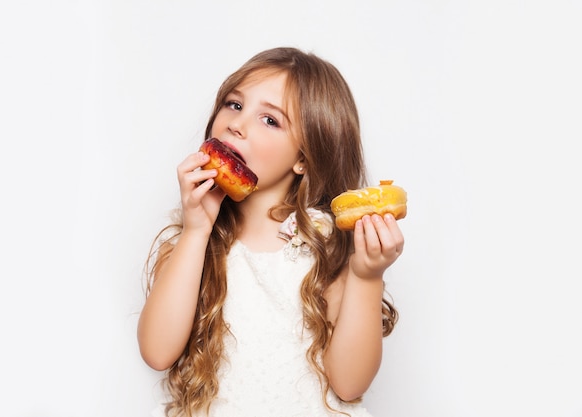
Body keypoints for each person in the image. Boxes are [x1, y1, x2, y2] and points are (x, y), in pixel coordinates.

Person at [137, 46, 404, 417]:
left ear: (302, 158)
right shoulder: (193, 239)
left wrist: (368, 275)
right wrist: (196, 232)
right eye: (234, 104)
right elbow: (157, 351)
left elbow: (349, 382)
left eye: (270, 120)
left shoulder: (326, 243)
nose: (237, 123)